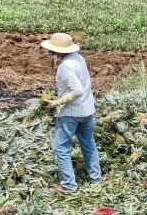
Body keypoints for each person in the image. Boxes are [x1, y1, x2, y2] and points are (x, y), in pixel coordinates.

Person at [40, 32, 104, 194]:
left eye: (54, 51)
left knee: (60, 148)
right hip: (87, 109)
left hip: (71, 112)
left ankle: (68, 185)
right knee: (88, 143)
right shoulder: (78, 58)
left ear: (59, 51)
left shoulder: (65, 67)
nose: (52, 54)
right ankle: (96, 179)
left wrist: (57, 102)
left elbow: (77, 91)